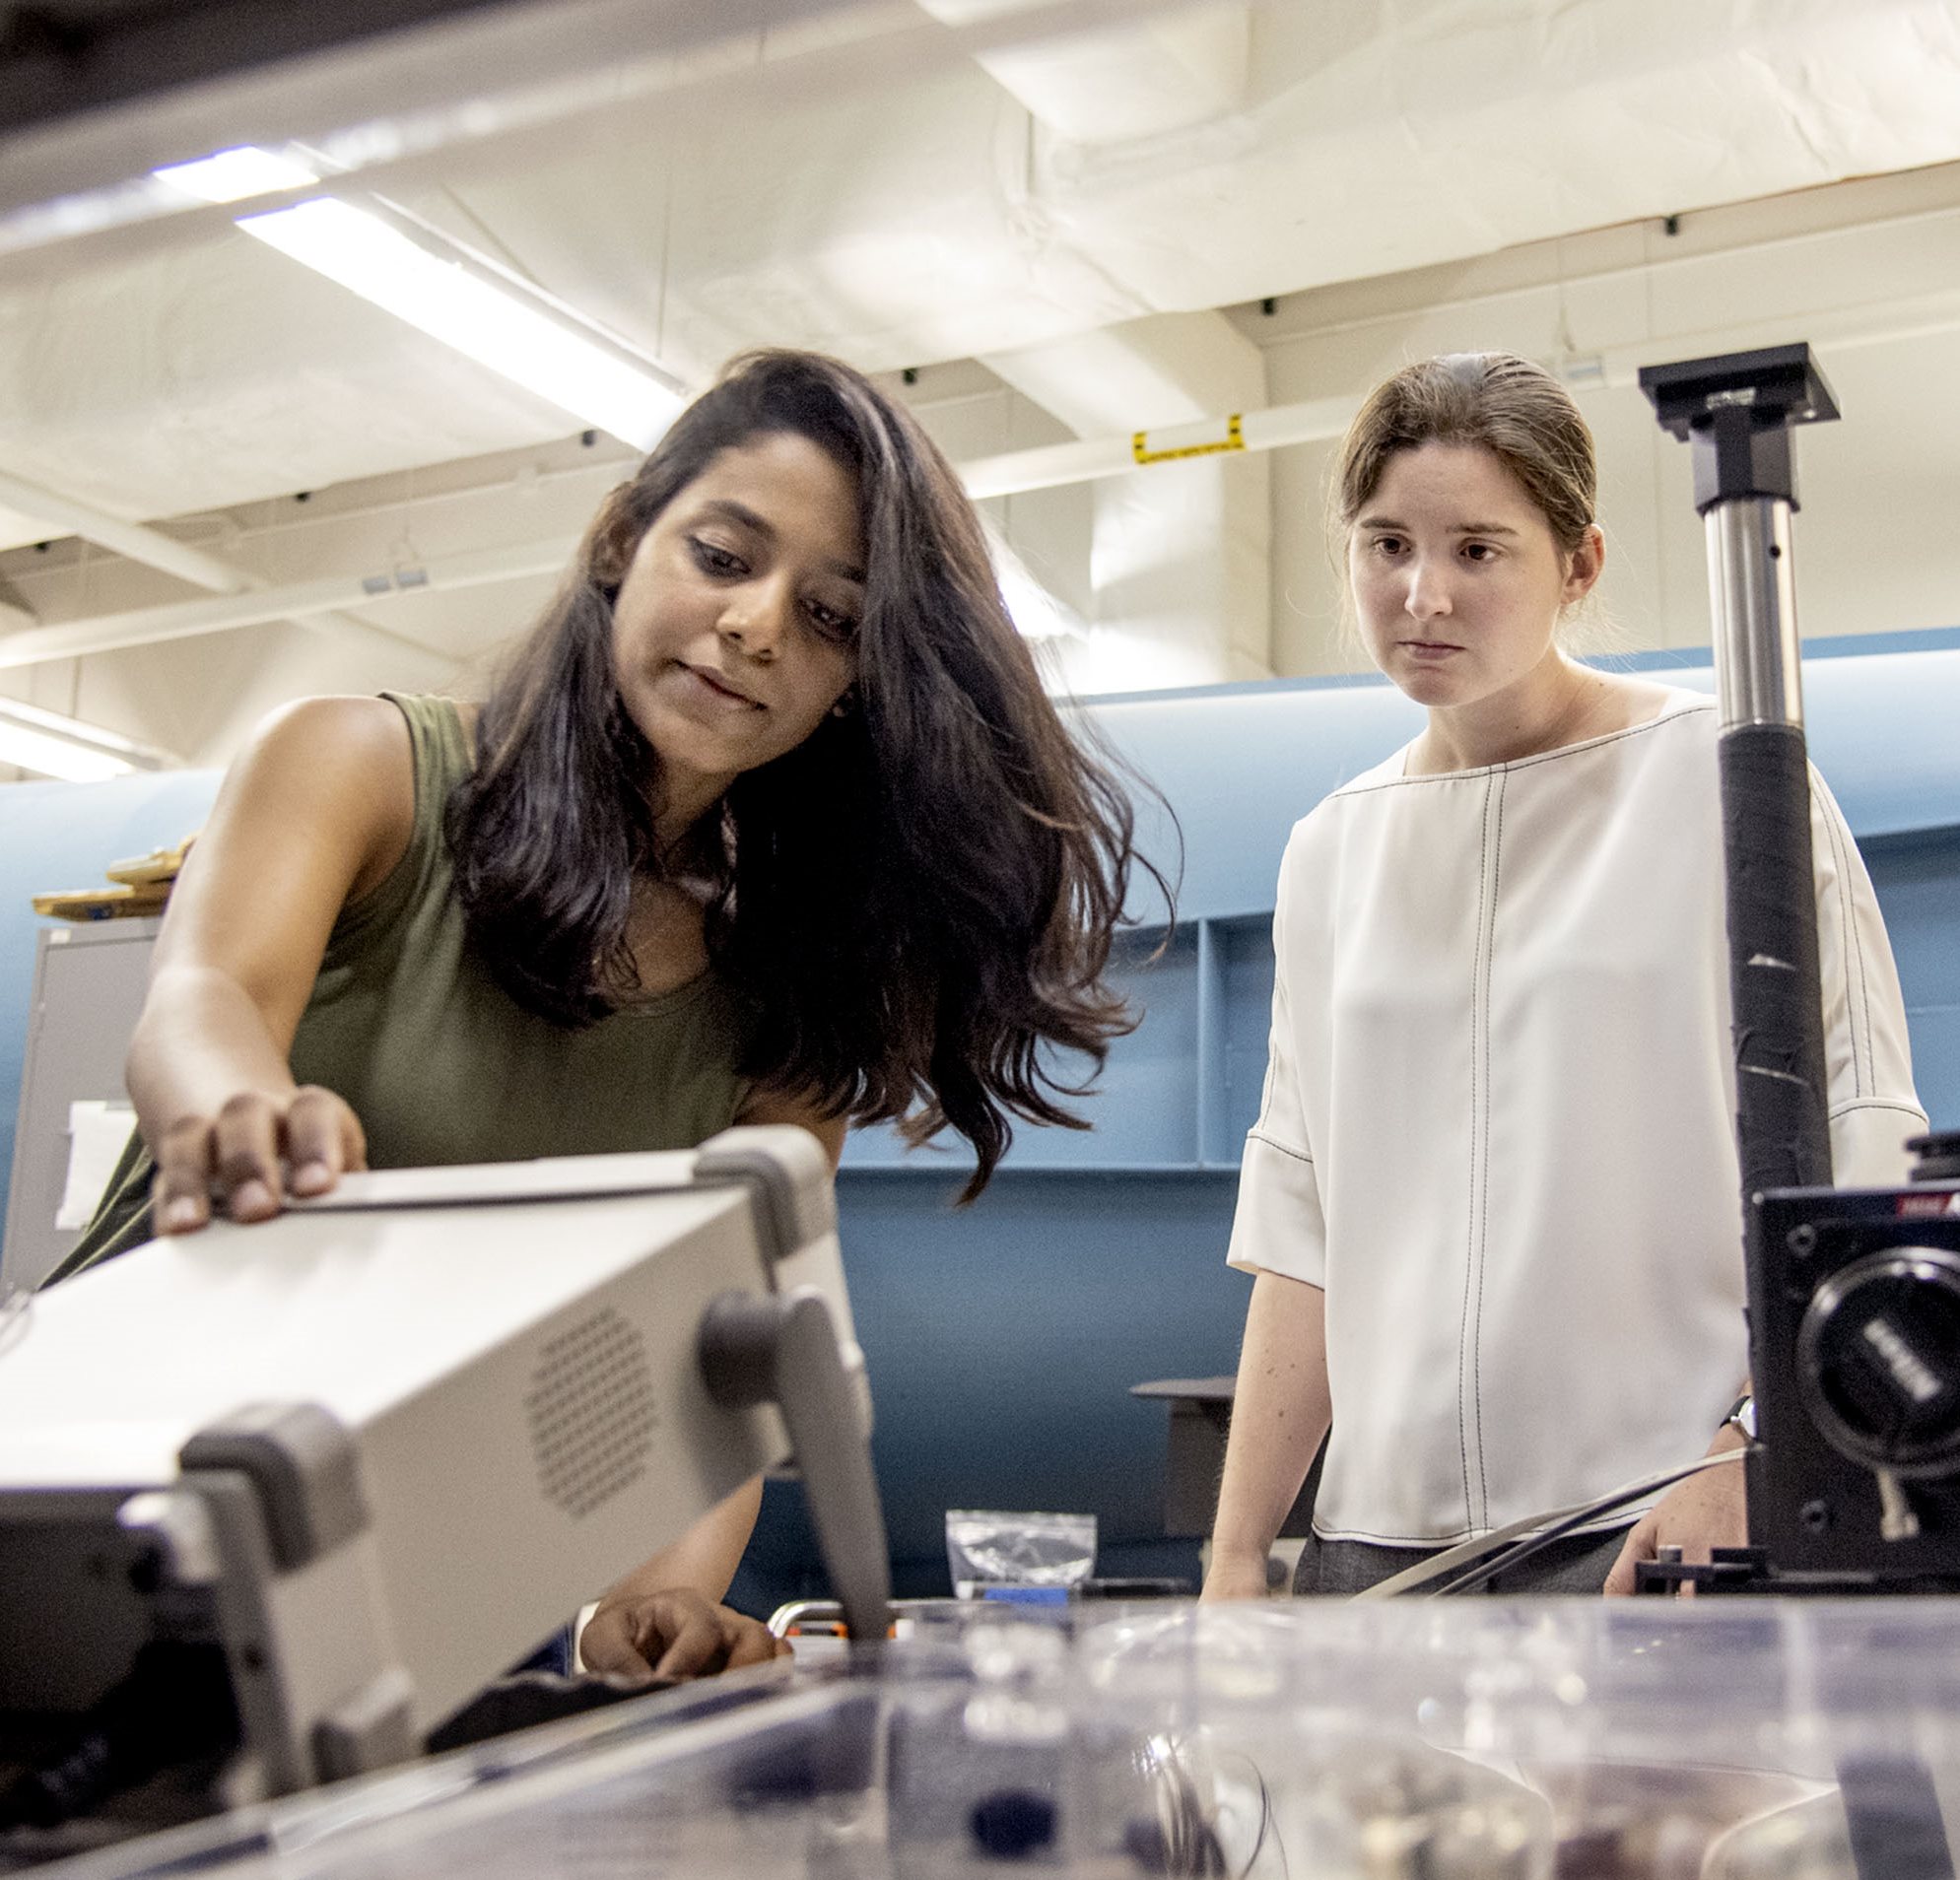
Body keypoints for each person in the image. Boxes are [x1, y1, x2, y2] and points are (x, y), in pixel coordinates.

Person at [55, 348, 1157, 1676]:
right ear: (622, 535)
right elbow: (204, 994)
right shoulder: (363, 765)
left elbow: (715, 1349)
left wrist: (659, 1605)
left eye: (830, 616)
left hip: (371, 1602)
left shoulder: (796, 996)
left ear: (859, 677)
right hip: (98, 1511)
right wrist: (236, 1105)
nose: (757, 626)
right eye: (724, 556)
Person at [1202, 351, 1925, 1601]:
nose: (1422, 593)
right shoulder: (1334, 846)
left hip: (1658, 1525)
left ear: (1576, 564)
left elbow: (1863, 1148)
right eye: (1387, 545)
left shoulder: (1729, 780)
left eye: (1478, 550)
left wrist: (1757, 1443)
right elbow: (1303, 1229)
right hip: (1380, 1553)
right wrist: (1233, 1553)